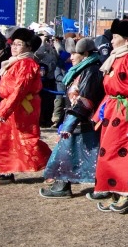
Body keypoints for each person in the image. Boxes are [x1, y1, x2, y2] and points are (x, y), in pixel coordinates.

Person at [93, 18, 128, 213]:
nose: (111, 40)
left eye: (115, 37)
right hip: (112, 110)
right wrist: (98, 114)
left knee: (125, 153)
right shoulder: (115, 58)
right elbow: (109, 91)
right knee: (108, 152)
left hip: (126, 115)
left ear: (127, 41)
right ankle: (116, 189)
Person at [39, 38, 105, 198]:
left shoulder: (91, 71)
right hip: (79, 120)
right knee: (69, 154)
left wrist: (69, 124)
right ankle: (62, 185)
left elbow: (85, 100)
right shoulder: (82, 69)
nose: (71, 57)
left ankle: (101, 186)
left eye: (75, 53)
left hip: (83, 122)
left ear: (86, 54)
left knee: (74, 154)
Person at [0, 28, 52, 185]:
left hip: (22, 106)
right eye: (13, 44)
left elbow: (20, 88)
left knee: (27, 139)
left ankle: (54, 166)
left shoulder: (27, 63)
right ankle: (4, 172)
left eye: (19, 44)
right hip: (9, 104)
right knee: (4, 139)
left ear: (28, 47)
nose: (14, 47)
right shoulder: (13, 62)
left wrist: (7, 110)